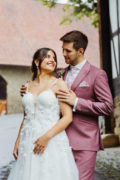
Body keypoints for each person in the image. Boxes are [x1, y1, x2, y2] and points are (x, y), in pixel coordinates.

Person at [20, 31, 113, 180]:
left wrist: (76, 102)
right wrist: (28, 92)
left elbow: (108, 107)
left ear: (80, 51)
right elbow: (45, 91)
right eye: (62, 49)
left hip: (84, 141)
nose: (63, 54)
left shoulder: (97, 74)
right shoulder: (59, 75)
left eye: (67, 50)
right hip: (58, 141)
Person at [8, 48, 79, 180]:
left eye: (54, 58)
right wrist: (17, 142)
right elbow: (26, 117)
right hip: (27, 141)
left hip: (51, 139)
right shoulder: (27, 86)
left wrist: (46, 137)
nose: (52, 60)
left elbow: (68, 117)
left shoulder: (59, 84)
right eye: (47, 56)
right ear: (36, 61)